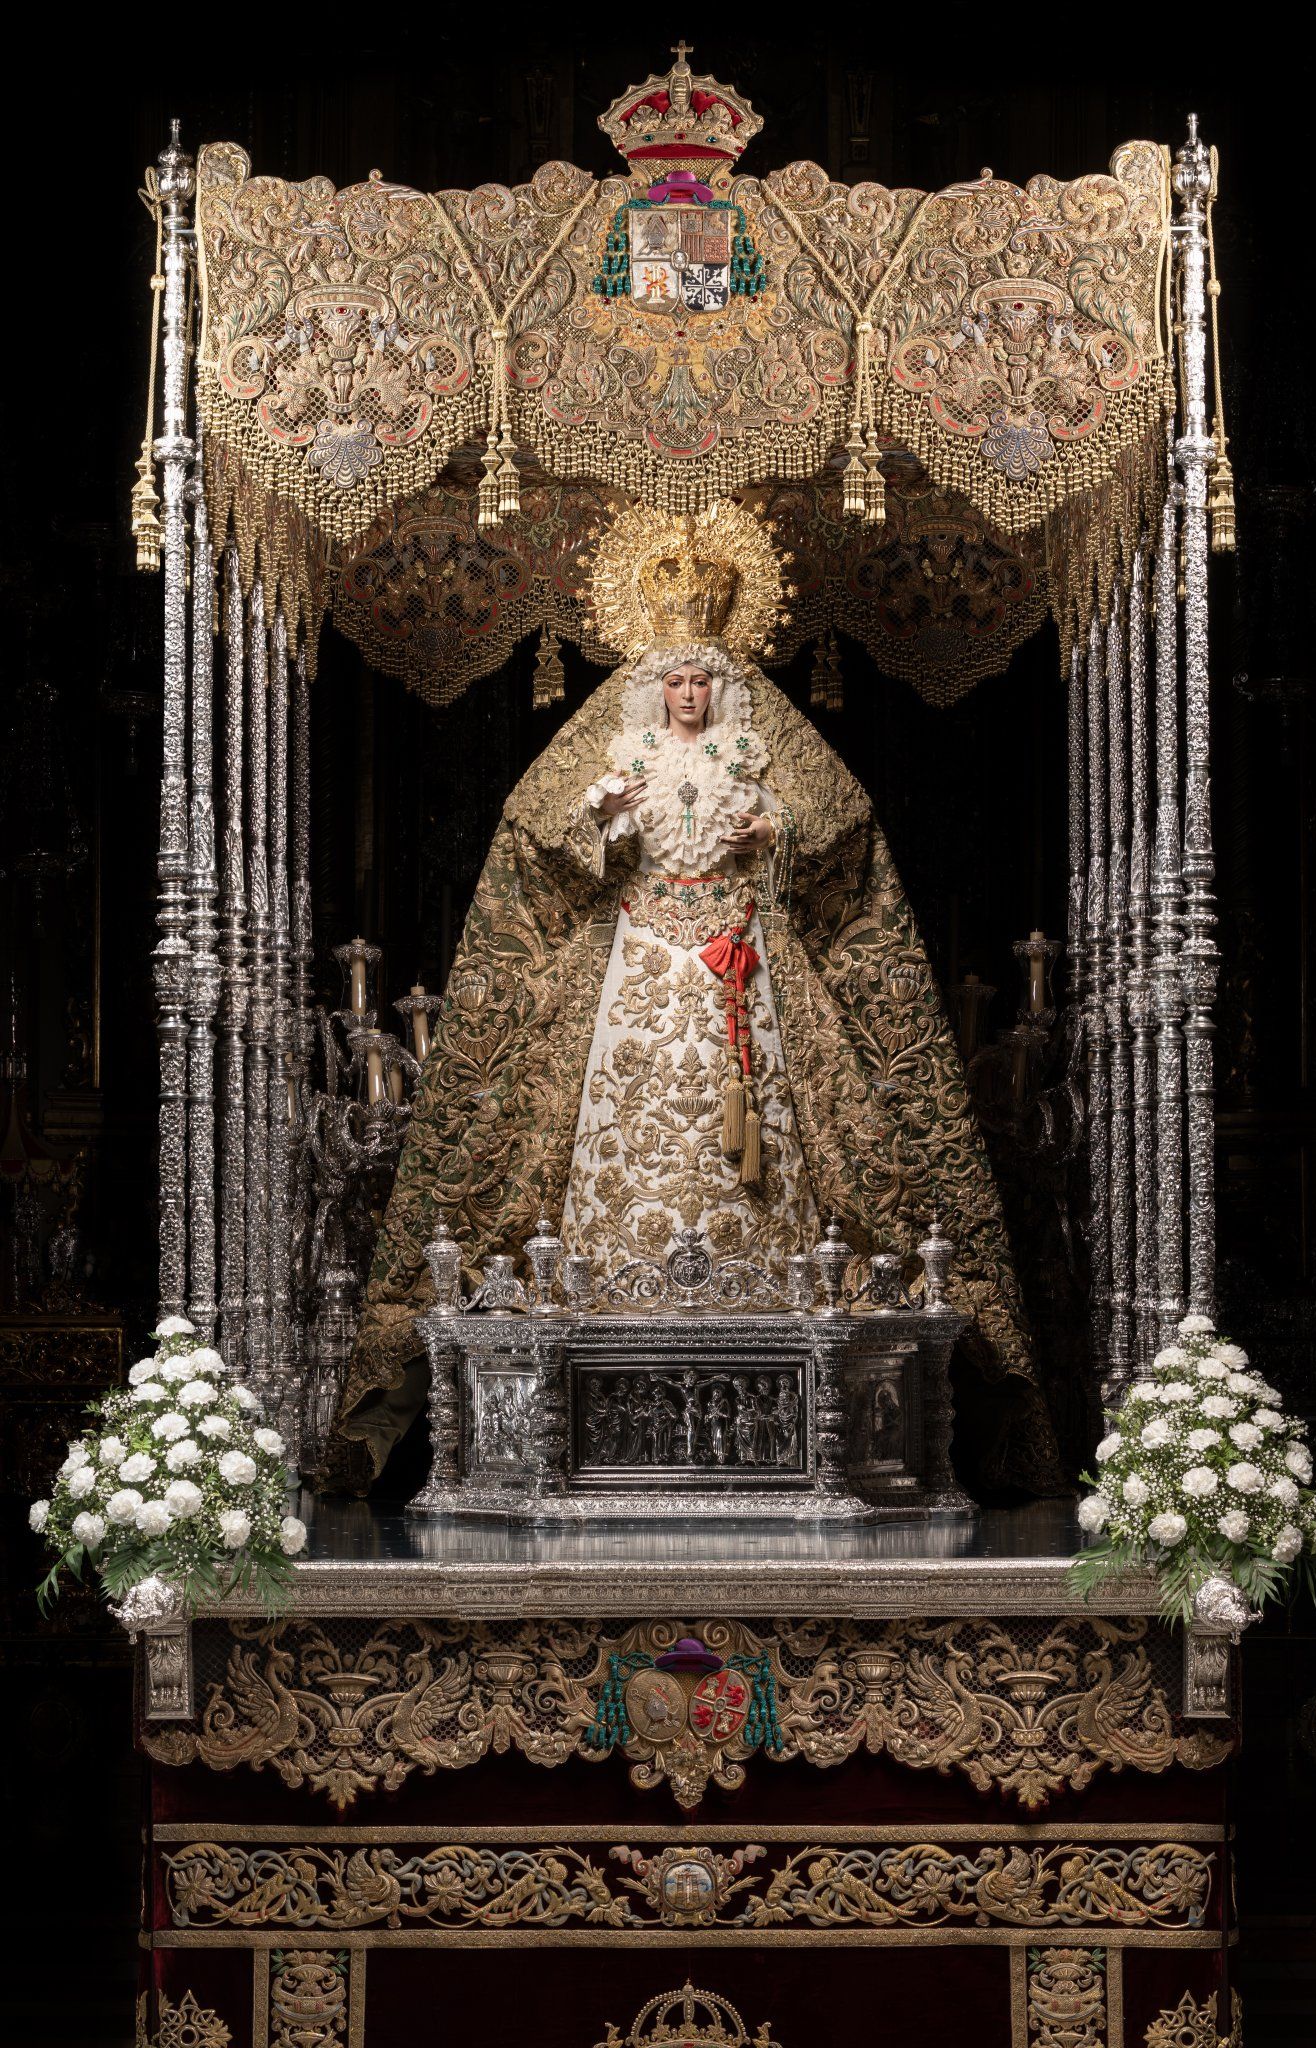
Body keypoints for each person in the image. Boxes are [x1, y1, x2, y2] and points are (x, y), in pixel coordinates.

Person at [323, 504, 1057, 1498]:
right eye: (671, 682)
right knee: (592, 1125)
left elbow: (838, 835)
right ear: (648, 688)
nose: (685, 696)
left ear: (723, 690)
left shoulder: (756, 757)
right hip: (637, 960)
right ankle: (601, 1316)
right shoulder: (621, 759)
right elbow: (545, 838)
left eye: (700, 683)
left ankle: (774, 1315)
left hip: (741, 958)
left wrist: (775, 838)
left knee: (788, 1135)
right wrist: (606, 825)